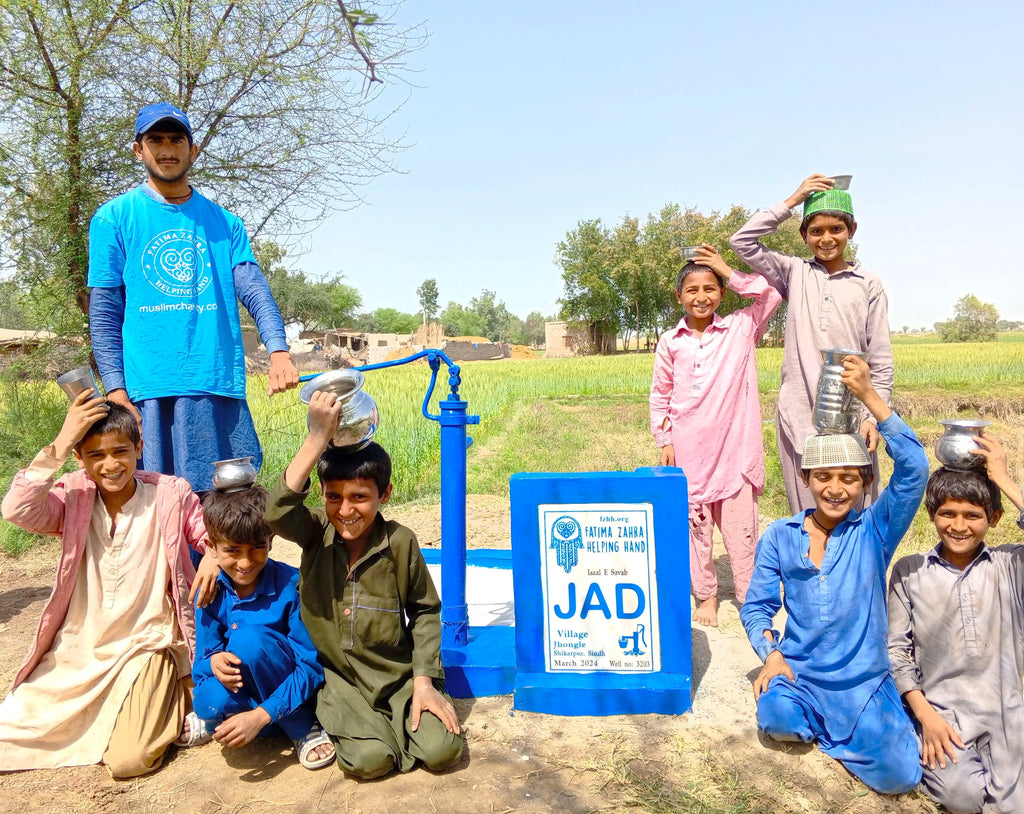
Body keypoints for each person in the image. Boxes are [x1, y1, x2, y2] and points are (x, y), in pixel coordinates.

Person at [0, 392, 217, 777]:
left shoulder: (169, 493)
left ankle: (178, 694)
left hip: (146, 644)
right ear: (79, 460)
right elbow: (17, 509)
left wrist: (214, 553)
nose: (111, 465)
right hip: (81, 649)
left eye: (120, 451)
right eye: (96, 455)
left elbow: (208, 535)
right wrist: (63, 439)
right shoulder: (74, 495)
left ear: (139, 448)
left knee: (128, 761)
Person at [88, 102, 300, 494]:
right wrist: (116, 389)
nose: (166, 148)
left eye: (176, 139)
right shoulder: (113, 218)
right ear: (139, 150)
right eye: (155, 139)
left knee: (226, 503)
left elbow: (253, 289)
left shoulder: (225, 223)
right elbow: (104, 314)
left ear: (193, 150)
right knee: (153, 506)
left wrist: (278, 350)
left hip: (215, 383)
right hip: (147, 392)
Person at [740, 355, 926, 794]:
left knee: (900, 776)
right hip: (801, 674)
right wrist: (772, 655)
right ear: (806, 478)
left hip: (863, 679)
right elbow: (756, 607)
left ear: (864, 483)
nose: (835, 489)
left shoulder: (875, 531)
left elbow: (915, 469)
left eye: (849, 478)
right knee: (778, 718)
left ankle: (858, 728)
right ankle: (832, 729)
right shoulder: (780, 536)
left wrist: (869, 397)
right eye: (823, 477)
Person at [264, 393, 464, 778]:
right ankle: (355, 730)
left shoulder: (401, 541)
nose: (345, 510)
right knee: (370, 763)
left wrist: (424, 682)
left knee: (443, 751)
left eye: (359, 497)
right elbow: (276, 512)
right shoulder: (314, 532)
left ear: (383, 495)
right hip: (342, 682)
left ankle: (403, 717)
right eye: (334, 497)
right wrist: (317, 438)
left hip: (398, 678)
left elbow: (425, 612)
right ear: (322, 496)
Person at [730, 174, 894, 513]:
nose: (827, 238)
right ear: (804, 235)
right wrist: (792, 200)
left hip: (853, 418)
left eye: (836, 229)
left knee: (858, 518)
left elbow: (880, 360)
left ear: (852, 230)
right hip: (800, 417)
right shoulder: (795, 273)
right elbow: (742, 241)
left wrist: (872, 418)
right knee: (808, 517)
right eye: (816, 231)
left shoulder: (868, 284)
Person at [888, 437, 1024, 813]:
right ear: (932, 514)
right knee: (961, 798)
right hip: (942, 718)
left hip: (1007, 718)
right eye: (948, 514)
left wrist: (1005, 480)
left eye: (972, 515)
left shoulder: (1010, 566)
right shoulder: (910, 571)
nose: (959, 526)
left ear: (993, 519)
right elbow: (896, 651)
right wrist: (925, 716)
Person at [649, 244, 781, 627]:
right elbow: (660, 393)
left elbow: (769, 293)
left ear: (722, 293)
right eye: (692, 290)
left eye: (710, 288)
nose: (701, 297)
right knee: (696, 531)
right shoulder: (671, 341)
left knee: (742, 534)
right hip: (689, 452)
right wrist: (665, 441)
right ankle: (706, 596)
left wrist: (724, 266)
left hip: (735, 451)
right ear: (679, 297)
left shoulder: (741, 327)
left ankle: (748, 598)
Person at [181, 486, 335, 770]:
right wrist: (215, 661)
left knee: (249, 641)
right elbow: (201, 663)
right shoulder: (210, 591)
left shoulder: (291, 586)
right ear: (211, 549)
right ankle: (243, 722)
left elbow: (311, 666)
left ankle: (301, 726)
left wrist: (262, 714)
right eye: (232, 550)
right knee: (207, 701)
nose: (245, 562)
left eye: (257, 548)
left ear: (271, 541)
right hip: (247, 688)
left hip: (290, 689)